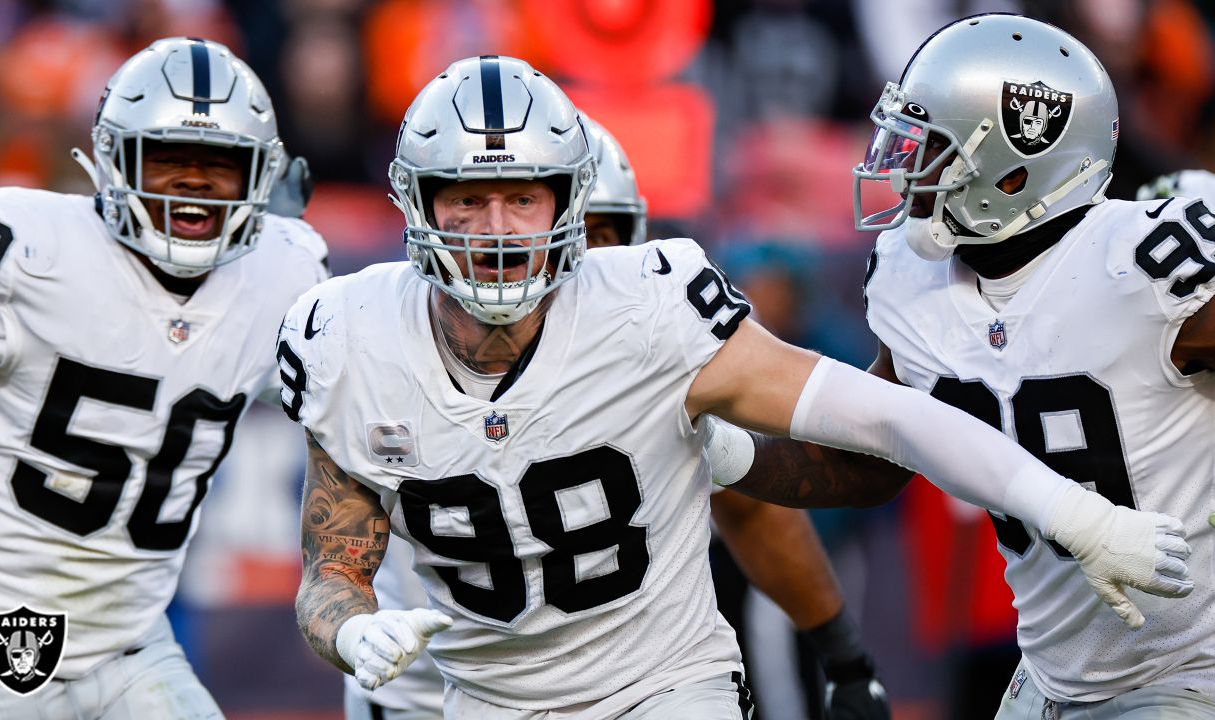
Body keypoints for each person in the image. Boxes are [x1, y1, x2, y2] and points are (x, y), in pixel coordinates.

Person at [280, 55, 1190, 720]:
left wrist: (1071, 515)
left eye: (526, 197)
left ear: (571, 203)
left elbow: (880, 416)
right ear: (415, 202)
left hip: (661, 690)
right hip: (462, 695)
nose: (496, 227)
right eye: (465, 199)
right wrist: (353, 630)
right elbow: (333, 567)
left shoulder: (648, 303)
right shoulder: (344, 337)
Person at [342, 116, 890, 720]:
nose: (585, 263)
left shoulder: (643, 350)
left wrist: (844, 659)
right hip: (426, 692)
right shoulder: (385, 351)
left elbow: (749, 503)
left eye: (603, 238)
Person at [0, 37, 329, 717]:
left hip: (132, 646)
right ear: (115, 161)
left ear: (259, 175)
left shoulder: (285, 270)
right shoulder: (28, 246)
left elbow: (352, 407)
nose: (195, 179)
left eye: (222, 163)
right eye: (170, 157)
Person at [851, 13, 1215, 719]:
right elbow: (873, 451)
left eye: (930, 148)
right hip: (1051, 675)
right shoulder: (912, 281)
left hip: (1189, 668)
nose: (900, 167)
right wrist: (726, 450)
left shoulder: (1147, 269)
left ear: (1015, 167)